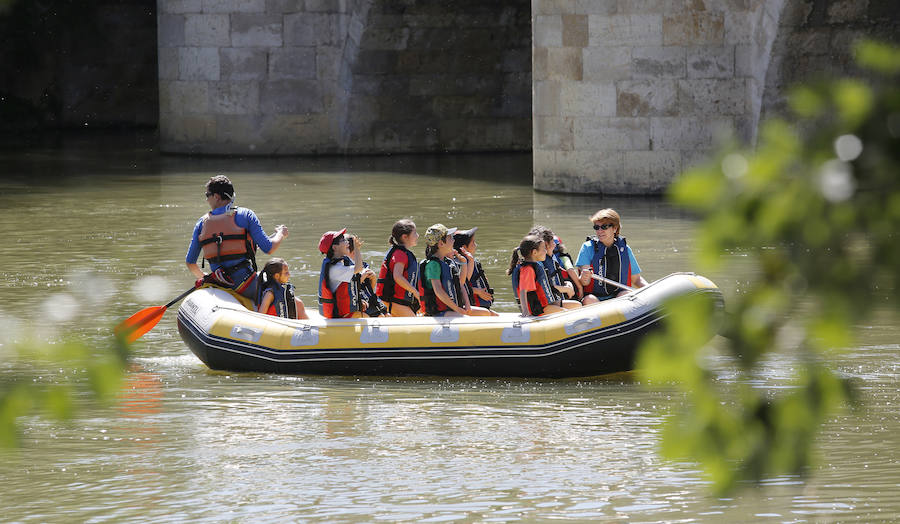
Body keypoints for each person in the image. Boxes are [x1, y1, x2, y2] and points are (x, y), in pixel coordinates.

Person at [185, 175, 288, 301]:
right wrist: (281, 234)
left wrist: (204, 276)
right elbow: (269, 248)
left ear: (216, 197)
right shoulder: (246, 215)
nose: (207, 200)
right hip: (245, 285)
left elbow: (190, 262)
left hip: (218, 284)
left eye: (207, 195)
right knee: (281, 289)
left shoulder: (201, 223)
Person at [575, 208, 648, 301]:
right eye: (596, 227)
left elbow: (636, 280)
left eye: (604, 227)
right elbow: (584, 282)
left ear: (615, 228)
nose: (599, 231)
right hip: (595, 298)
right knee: (589, 299)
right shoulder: (587, 248)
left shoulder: (625, 249)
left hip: (618, 297)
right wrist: (584, 277)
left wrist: (651, 290)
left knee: (626, 294)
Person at [508, 235, 581, 316]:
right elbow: (523, 291)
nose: (546, 252)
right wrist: (525, 311)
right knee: (566, 313)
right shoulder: (528, 269)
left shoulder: (536, 265)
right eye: (543, 249)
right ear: (534, 252)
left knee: (577, 305)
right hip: (537, 309)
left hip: (545, 304)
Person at [317, 228, 375, 318]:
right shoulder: (335, 268)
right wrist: (356, 248)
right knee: (368, 317)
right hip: (337, 314)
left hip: (340, 310)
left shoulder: (339, 262)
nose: (347, 242)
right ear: (334, 247)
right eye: (343, 240)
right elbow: (358, 268)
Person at [419, 224, 469, 317]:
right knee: (466, 320)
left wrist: (464, 263)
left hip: (450, 309)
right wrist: (457, 309)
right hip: (438, 312)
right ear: (441, 244)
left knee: (485, 313)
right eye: (450, 238)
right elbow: (438, 291)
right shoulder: (433, 265)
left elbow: (460, 283)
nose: (453, 240)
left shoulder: (447, 262)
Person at [375, 219, 420, 317]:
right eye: (415, 233)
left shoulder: (402, 253)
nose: (418, 236)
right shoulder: (400, 254)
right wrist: (415, 292)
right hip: (394, 302)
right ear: (405, 237)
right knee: (415, 326)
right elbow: (397, 276)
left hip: (398, 302)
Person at [452, 227, 498, 313]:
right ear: (464, 248)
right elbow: (460, 285)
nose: (476, 245)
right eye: (473, 242)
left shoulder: (471, 261)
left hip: (482, 305)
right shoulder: (458, 263)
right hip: (472, 305)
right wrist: (477, 291)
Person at [529, 225, 578, 304]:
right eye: (552, 242)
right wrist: (566, 289)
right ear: (545, 245)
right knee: (577, 305)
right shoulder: (538, 264)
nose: (555, 245)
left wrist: (567, 284)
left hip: (558, 298)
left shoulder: (552, 258)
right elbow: (545, 287)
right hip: (548, 303)